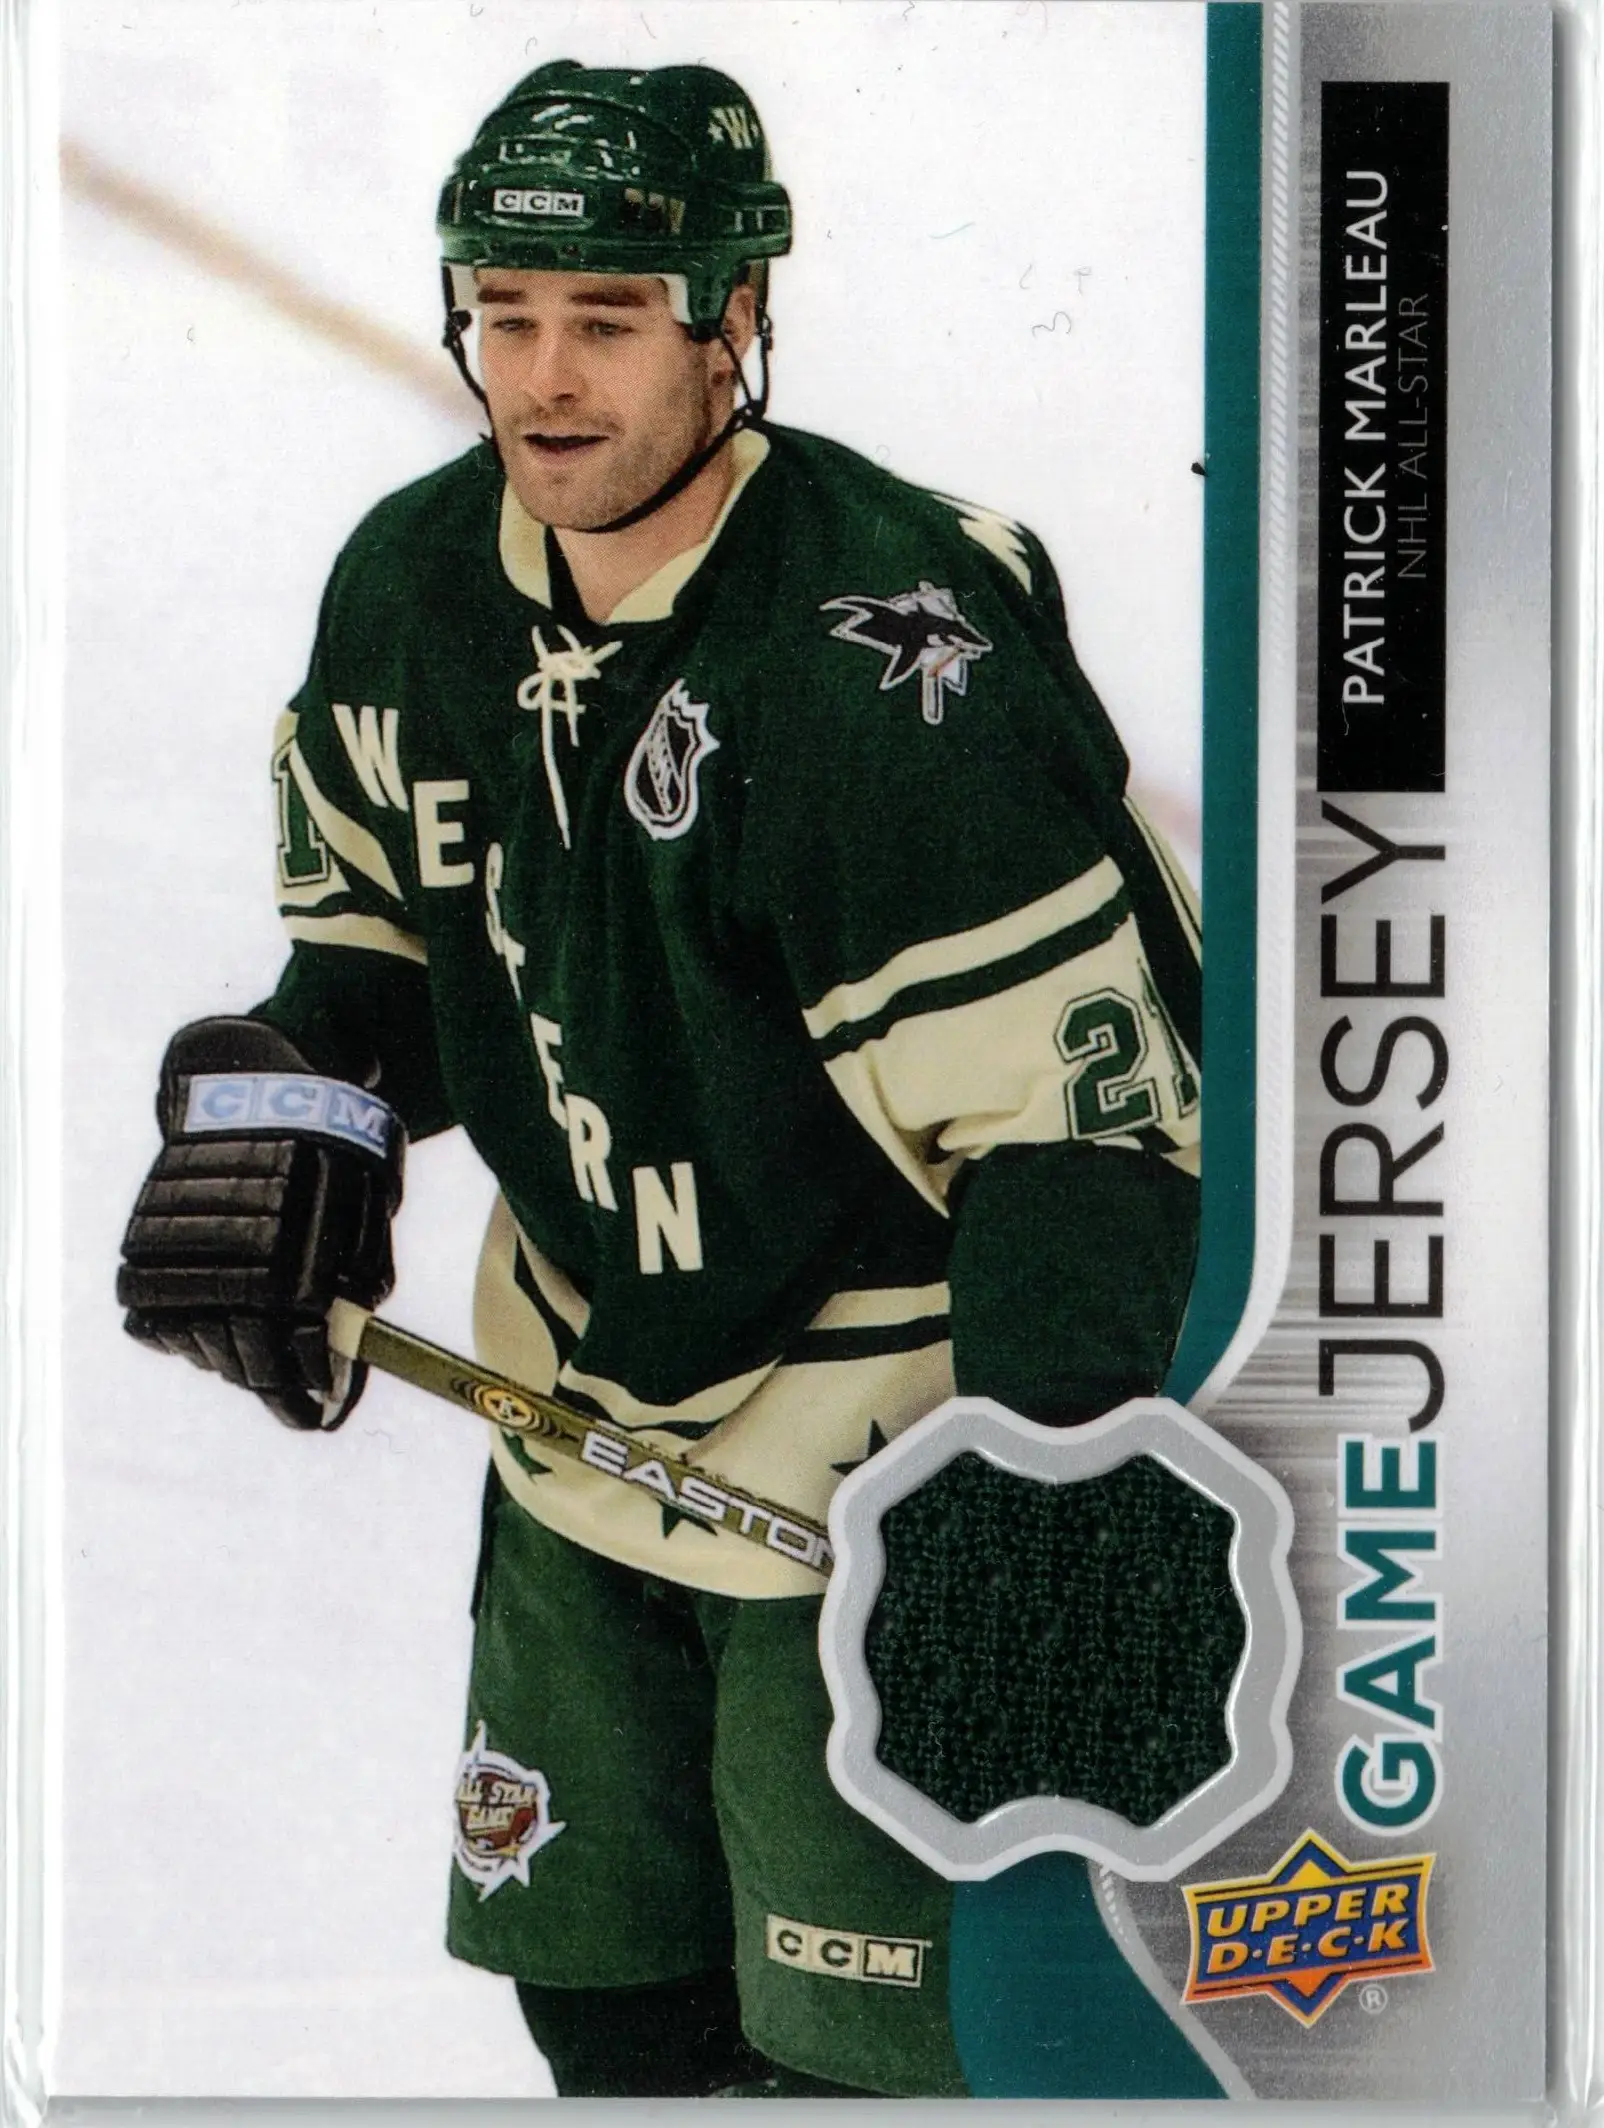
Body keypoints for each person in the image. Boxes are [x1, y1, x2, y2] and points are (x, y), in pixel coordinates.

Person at [118, 59, 1210, 2099]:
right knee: (604, 2007)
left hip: (873, 1457)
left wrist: (1048, 1494)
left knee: (862, 2062)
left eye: (607, 320)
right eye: (505, 312)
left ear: (733, 320)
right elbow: (381, 952)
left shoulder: (893, 667)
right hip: (575, 1423)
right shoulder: (411, 581)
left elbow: (1081, 1136)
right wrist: (294, 1117)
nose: (542, 379)